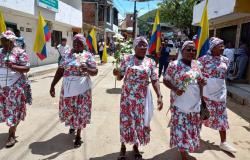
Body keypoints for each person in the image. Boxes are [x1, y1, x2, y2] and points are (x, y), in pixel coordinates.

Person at [113, 36, 163, 160]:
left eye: (144, 45)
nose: (142, 47)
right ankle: (123, 146)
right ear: (134, 47)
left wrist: (159, 95)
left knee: (139, 122)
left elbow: (154, 79)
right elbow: (120, 77)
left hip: (142, 98)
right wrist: (117, 73)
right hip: (127, 97)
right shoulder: (126, 59)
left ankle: (136, 146)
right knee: (126, 121)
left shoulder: (150, 62)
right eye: (139, 45)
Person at [50, 34, 98, 148]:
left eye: (79, 42)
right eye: (75, 42)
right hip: (68, 89)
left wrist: (88, 69)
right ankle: (73, 124)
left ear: (84, 44)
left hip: (82, 90)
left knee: (80, 111)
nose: (77, 44)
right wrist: (52, 85)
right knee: (70, 110)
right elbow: (60, 71)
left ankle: (78, 135)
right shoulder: (67, 55)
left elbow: (95, 71)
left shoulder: (88, 55)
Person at [163, 41, 205, 160]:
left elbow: (200, 81)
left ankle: (186, 147)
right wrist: (175, 89)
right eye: (189, 49)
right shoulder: (174, 65)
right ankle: (183, 154)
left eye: (194, 50)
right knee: (181, 128)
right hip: (179, 103)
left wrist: (202, 91)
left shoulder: (198, 65)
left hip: (195, 103)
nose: (192, 52)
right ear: (182, 51)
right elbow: (166, 80)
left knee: (192, 127)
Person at [198, 37, 236, 153]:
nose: (222, 48)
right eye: (220, 45)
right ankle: (195, 136)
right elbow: (197, 75)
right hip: (206, 93)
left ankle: (223, 142)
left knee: (222, 116)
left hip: (220, 93)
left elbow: (224, 74)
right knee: (201, 114)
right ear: (212, 47)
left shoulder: (225, 60)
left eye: (223, 45)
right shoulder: (203, 60)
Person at [0, 30, 31, 148]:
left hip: (15, 87)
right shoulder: (0, 52)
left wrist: (13, 66)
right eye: (1, 40)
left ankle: (11, 134)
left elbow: (26, 68)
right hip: (2, 87)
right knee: (6, 109)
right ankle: (11, 127)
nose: (2, 43)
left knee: (14, 109)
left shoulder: (19, 52)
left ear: (12, 41)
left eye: (5, 41)